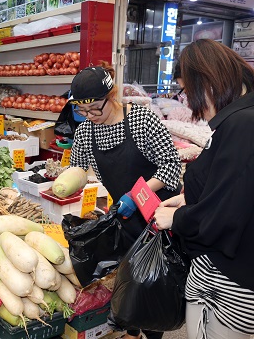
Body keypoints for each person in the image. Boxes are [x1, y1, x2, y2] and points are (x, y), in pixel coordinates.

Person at [154, 39, 254, 339]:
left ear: (206, 82)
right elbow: (251, 190)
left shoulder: (241, 126)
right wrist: (189, 198)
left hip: (232, 285)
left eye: (187, 91)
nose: (190, 104)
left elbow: (223, 217)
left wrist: (177, 218)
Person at [69, 64, 182, 339]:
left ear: (113, 94)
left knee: (154, 286)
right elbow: (78, 170)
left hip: (159, 217)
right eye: (82, 111)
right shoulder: (86, 132)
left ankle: (153, 333)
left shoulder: (142, 120)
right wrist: (65, 184)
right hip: (126, 218)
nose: (90, 116)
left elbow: (171, 166)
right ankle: (131, 332)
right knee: (128, 281)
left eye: (96, 107)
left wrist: (135, 194)